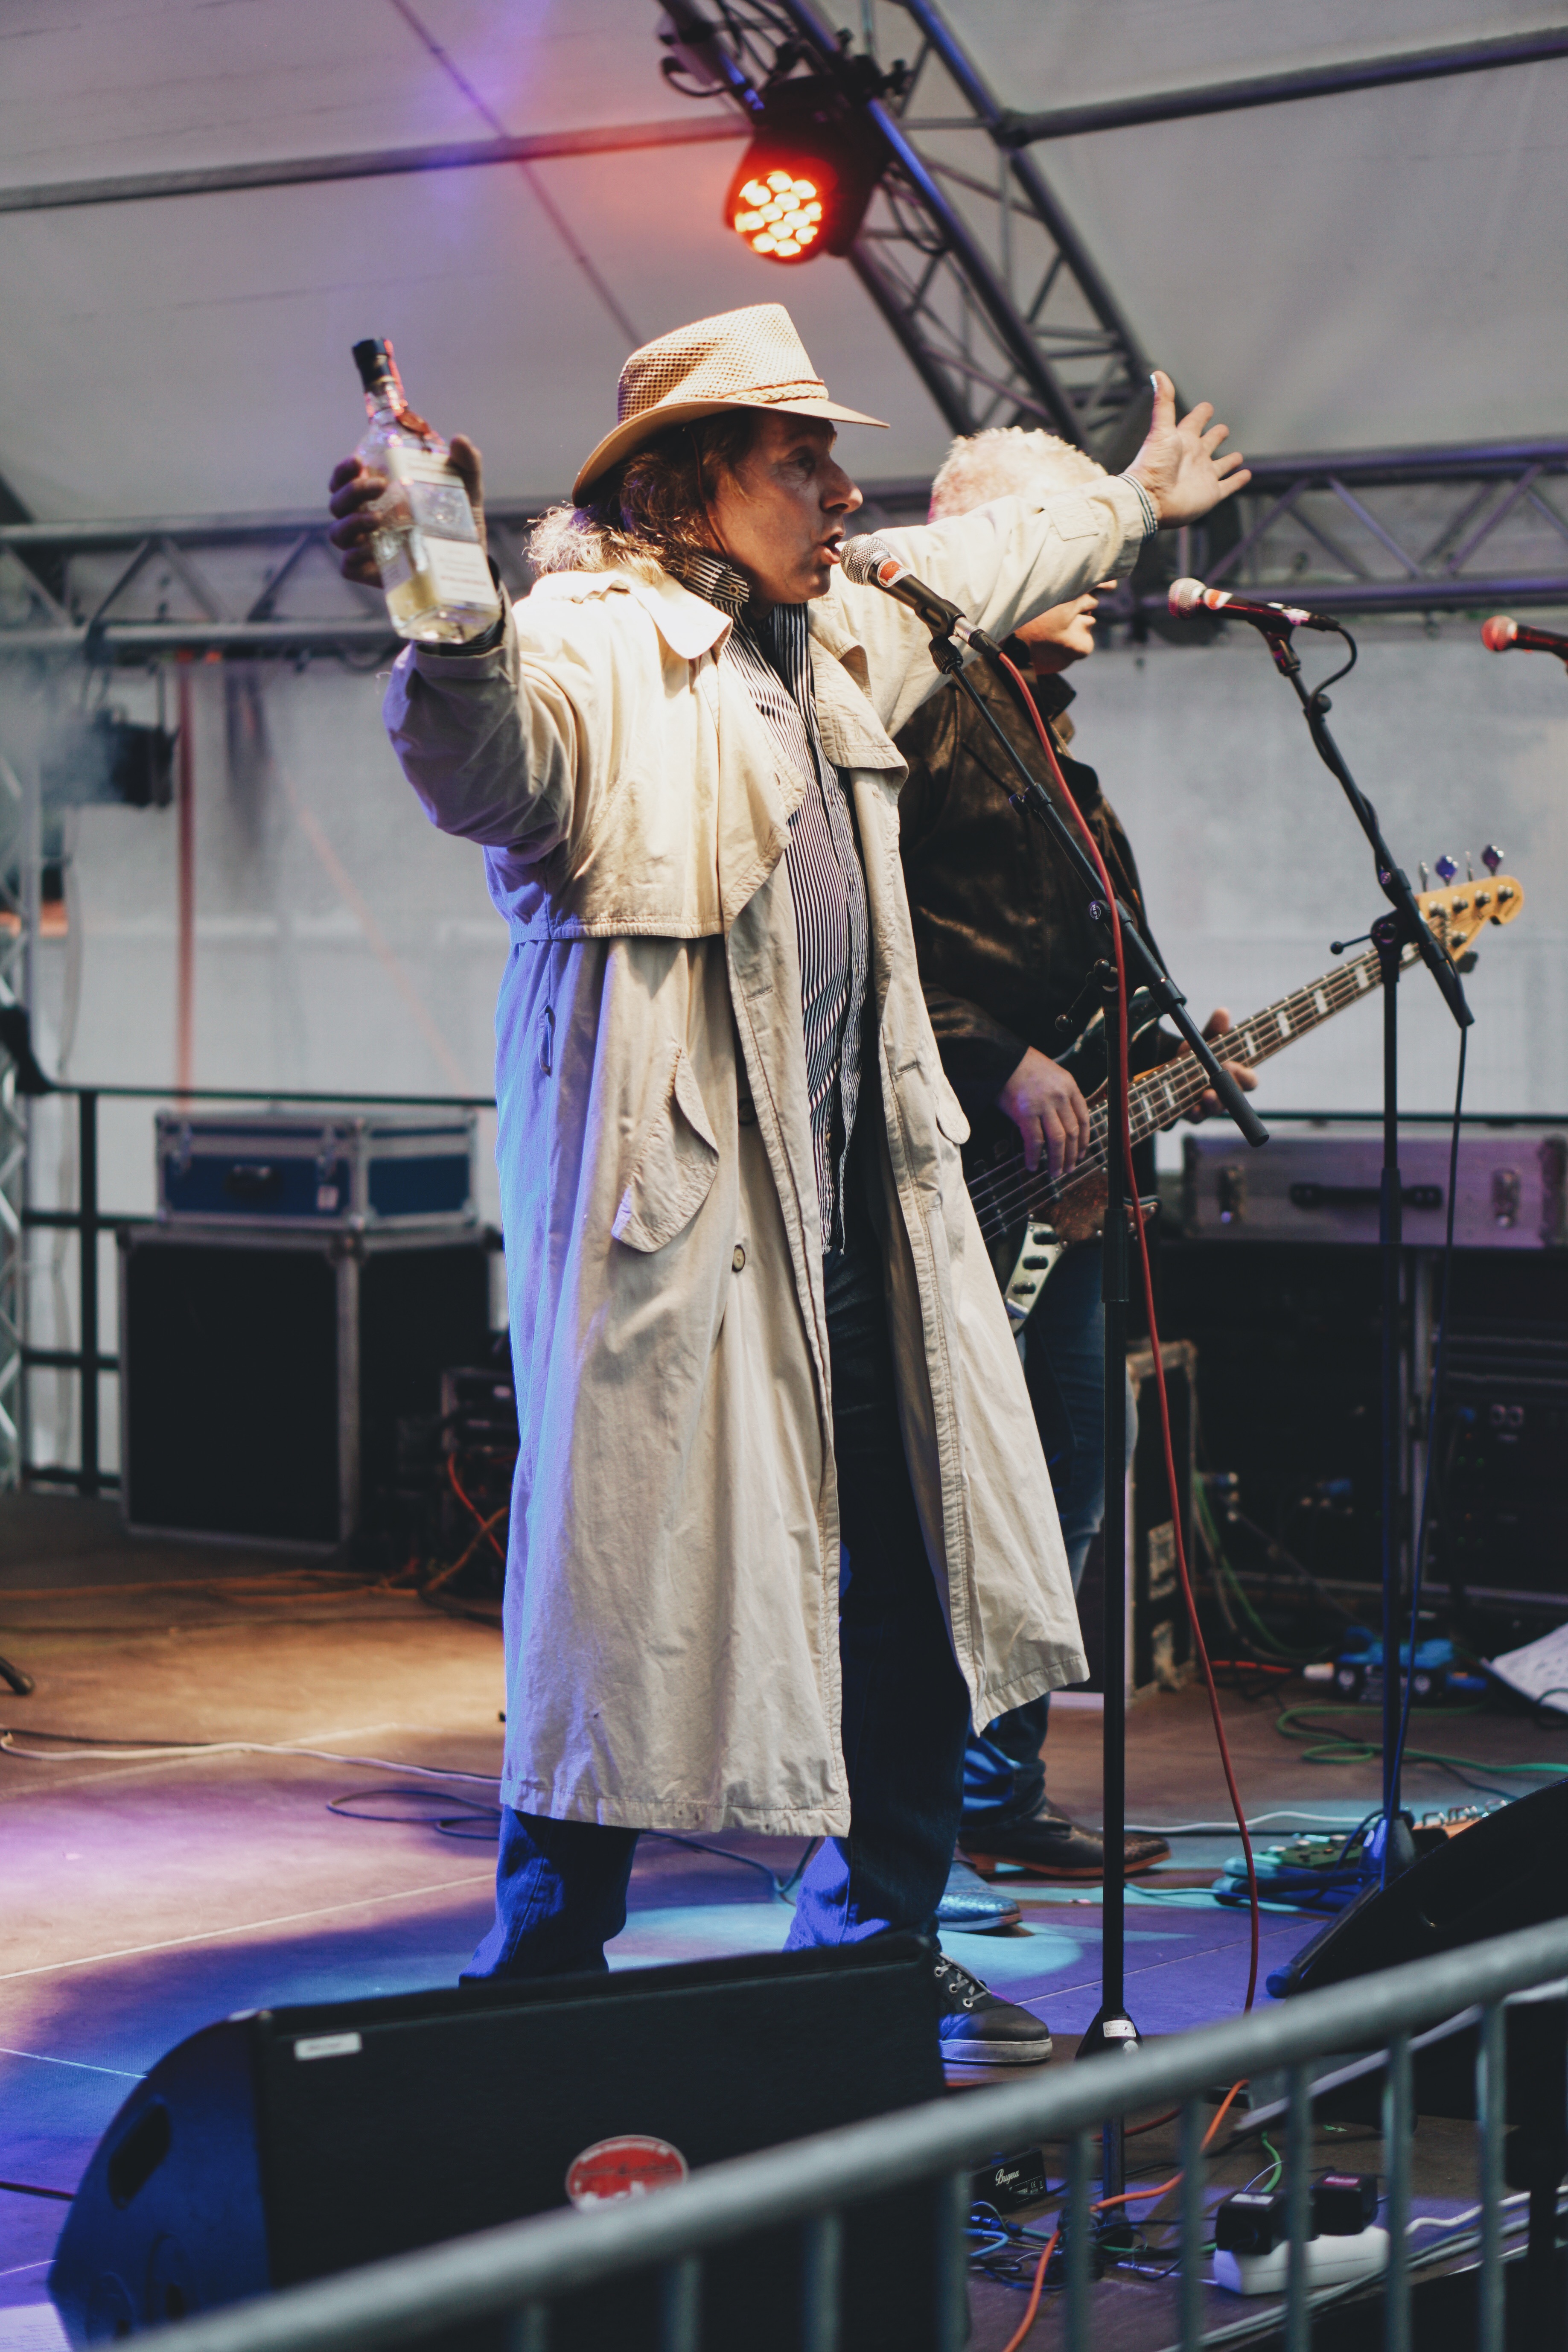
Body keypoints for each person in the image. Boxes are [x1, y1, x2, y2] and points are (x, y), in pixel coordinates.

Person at [328, 306, 1247, 2063]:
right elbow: (481, 759)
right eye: (798, 462)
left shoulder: (834, 642)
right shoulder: (590, 641)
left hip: (862, 1224)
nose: (839, 494)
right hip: (682, 1232)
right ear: (686, 486)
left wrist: (1131, 500)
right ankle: (539, 1990)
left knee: (909, 1596)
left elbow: (985, 556)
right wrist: (444, 597)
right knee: (624, 1603)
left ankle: (869, 1961)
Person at [894, 427, 1258, 1901]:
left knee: (1065, 1501)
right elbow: (862, 940)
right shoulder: (918, 719)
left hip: (1071, 1200)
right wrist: (995, 1056)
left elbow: (1088, 977)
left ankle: (997, 1791)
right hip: (953, 1182)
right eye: (1076, 538)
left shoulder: (1062, 765)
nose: (1104, 576)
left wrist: (1176, 1046)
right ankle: (907, 1813)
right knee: (954, 1510)